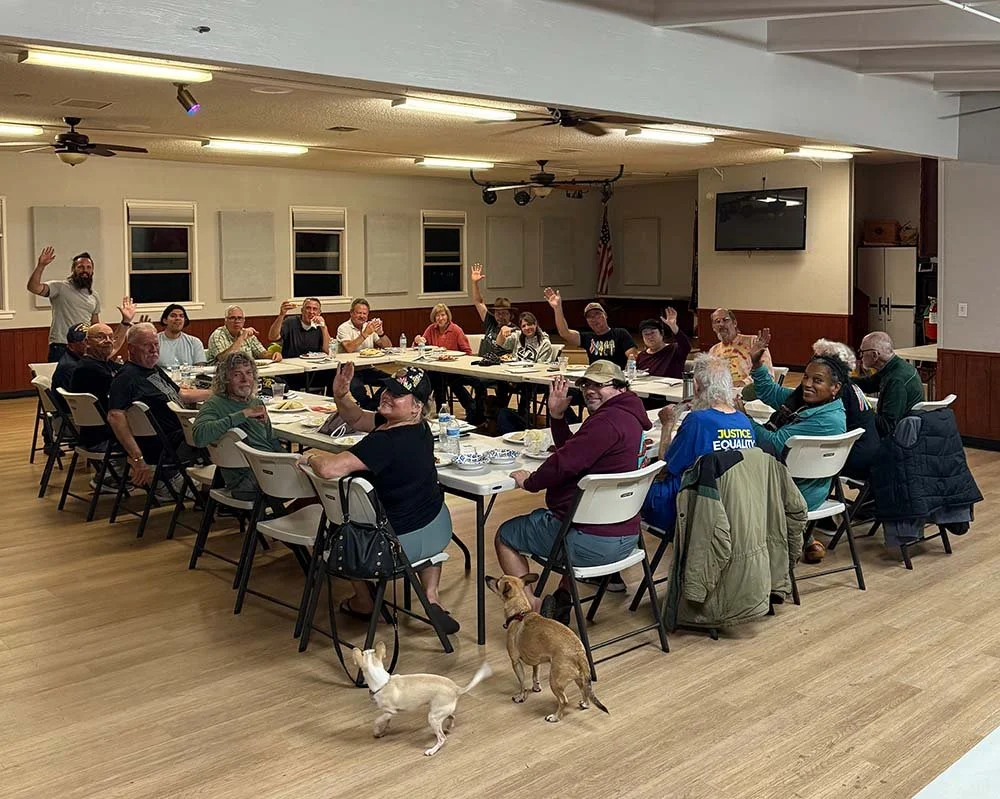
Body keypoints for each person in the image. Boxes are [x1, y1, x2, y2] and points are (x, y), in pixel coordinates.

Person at [300, 363, 460, 635]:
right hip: (437, 531)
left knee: (339, 524)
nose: (386, 394)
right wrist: (341, 395)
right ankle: (431, 597)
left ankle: (364, 602)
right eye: (388, 388)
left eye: (397, 394)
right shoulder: (419, 429)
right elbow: (356, 417)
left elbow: (329, 469)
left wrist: (311, 456)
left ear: (416, 406)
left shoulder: (384, 442)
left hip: (393, 544)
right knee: (425, 503)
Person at [495, 362, 652, 616]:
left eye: (600, 385)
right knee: (576, 516)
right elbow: (576, 453)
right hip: (628, 537)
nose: (591, 390)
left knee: (505, 535)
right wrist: (557, 417)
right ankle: (563, 596)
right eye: (587, 384)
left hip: (591, 542)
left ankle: (532, 607)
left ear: (621, 388)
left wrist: (531, 481)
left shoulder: (606, 423)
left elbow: (563, 463)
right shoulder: (631, 417)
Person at [745, 329, 847, 564]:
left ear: (835, 387)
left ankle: (750, 552)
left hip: (800, 492)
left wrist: (742, 418)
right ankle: (803, 536)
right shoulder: (809, 401)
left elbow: (773, 443)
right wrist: (756, 361)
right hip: (801, 483)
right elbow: (768, 391)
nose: (808, 384)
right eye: (806, 378)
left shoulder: (827, 419)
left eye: (817, 380)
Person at [641, 355, 755, 535]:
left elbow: (666, 465)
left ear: (696, 386)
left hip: (687, 506)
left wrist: (667, 426)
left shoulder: (697, 421)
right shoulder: (744, 421)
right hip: (730, 507)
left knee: (634, 491)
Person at [107, 323, 212, 488]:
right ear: (132, 349)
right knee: (223, 431)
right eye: (147, 345)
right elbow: (115, 416)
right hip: (166, 446)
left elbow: (182, 394)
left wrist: (219, 393)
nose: (154, 349)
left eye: (156, 344)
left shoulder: (153, 369)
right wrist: (137, 458)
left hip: (178, 437)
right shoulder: (126, 377)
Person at [764, 339, 878, 481]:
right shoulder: (843, 386)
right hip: (864, 450)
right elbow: (781, 396)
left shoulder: (837, 396)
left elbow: (776, 442)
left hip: (851, 458)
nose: (815, 360)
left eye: (819, 357)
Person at [193, 352, 283, 501]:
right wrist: (242, 415)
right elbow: (199, 437)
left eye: (248, 373)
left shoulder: (256, 403)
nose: (245, 379)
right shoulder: (215, 404)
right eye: (237, 375)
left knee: (316, 477)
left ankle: (279, 518)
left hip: (267, 470)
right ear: (225, 380)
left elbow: (271, 442)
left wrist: (293, 460)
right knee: (315, 483)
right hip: (245, 480)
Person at [27, 247, 101, 361]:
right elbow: (33, 287)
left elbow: (95, 324)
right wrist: (41, 266)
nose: (84, 270)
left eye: (88, 267)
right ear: (73, 269)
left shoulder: (94, 296)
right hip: (61, 346)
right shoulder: (59, 287)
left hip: (84, 347)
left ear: (92, 271)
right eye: (80, 267)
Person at [414, 304, 481, 422]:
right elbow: (419, 347)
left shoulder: (456, 330)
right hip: (436, 369)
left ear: (447, 316)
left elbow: (467, 352)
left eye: (442, 315)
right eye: (437, 316)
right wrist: (417, 341)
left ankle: (470, 409)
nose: (440, 318)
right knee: (429, 378)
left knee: (447, 380)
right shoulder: (431, 329)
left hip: (454, 369)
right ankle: (423, 411)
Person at [543, 288, 637, 369]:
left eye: (598, 314)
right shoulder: (587, 337)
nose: (594, 319)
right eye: (590, 317)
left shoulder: (620, 333)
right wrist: (557, 308)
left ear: (605, 316)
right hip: (594, 378)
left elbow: (632, 357)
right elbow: (564, 333)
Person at [854, 331, 924, 437]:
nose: (860, 356)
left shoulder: (896, 380)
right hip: (906, 430)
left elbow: (887, 426)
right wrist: (843, 379)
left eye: (862, 352)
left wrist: (861, 411)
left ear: (875, 355)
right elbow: (869, 384)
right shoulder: (896, 366)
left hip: (898, 438)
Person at [69, 323, 121, 451]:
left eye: (110, 337)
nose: (108, 341)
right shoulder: (88, 369)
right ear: (87, 342)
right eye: (100, 337)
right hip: (103, 437)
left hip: (102, 432)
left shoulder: (102, 363)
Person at [470, 262, 514, 412]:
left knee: (482, 383)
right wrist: (475, 283)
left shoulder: (514, 329)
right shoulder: (490, 322)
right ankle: (475, 410)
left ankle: (493, 412)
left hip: (500, 371)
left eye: (504, 313)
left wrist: (505, 330)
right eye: (497, 313)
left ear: (510, 314)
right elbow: (478, 302)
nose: (500, 316)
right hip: (483, 366)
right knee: (457, 379)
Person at [336, 298, 392, 406]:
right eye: (359, 313)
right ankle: (367, 405)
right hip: (349, 371)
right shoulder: (343, 328)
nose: (362, 316)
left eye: (364, 313)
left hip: (367, 368)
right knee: (357, 389)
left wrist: (380, 333)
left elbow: (387, 346)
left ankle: (373, 404)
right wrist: (365, 334)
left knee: (393, 381)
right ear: (351, 313)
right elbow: (349, 348)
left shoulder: (368, 326)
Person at [498, 311, 553, 416]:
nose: (527, 328)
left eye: (530, 324)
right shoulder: (518, 336)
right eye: (524, 326)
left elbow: (541, 367)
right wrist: (502, 331)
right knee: (500, 382)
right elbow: (500, 344)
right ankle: (500, 413)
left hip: (532, 379)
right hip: (513, 373)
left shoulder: (544, 343)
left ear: (536, 324)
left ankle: (523, 415)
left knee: (527, 385)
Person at [708, 308, 774, 388]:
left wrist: (744, 383)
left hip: (750, 392)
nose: (721, 324)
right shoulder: (713, 351)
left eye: (725, 320)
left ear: (734, 323)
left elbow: (768, 374)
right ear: (713, 328)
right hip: (723, 394)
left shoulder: (753, 342)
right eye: (717, 321)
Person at [207, 305, 282, 364]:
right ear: (225, 321)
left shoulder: (248, 334)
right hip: (222, 376)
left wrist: (273, 355)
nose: (236, 321)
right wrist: (241, 338)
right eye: (232, 318)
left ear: (244, 321)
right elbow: (223, 359)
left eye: (240, 318)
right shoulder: (217, 335)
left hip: (246, 373)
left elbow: (262, 353)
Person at [637, 308, 691, 378]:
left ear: (661, 333)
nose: (650, 337)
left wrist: (673, 326)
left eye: (653, 333)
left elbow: (686, 345)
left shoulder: (674, 349)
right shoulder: (641, 356)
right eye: (646, 334)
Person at [157, 304, 207, 369]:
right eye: (173, 316)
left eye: (181, 316)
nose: (178, 318)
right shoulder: (154, 341)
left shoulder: (194, 342)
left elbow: (200, 367)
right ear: (165, 320)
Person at [50, 323, 90, 406]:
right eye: (84, 341)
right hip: (75, 411)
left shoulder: (77, 359)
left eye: (90, 340)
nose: (89, 344)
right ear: (71, 346)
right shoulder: (71, 367)